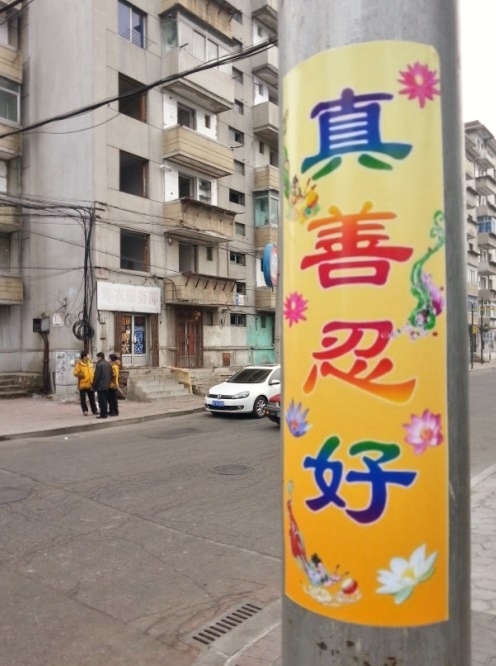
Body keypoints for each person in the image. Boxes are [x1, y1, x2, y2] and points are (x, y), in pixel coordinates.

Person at [73, 351, 98, 416]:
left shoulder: (90, 362)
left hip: (90, 383)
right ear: (84, 356)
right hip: (83, 384)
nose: (89, 356)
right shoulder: (79, 363)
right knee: (83, 399)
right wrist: (81, 375)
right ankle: (85, 411)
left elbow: (92, 371)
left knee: (92, 398)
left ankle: (94, 410)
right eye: (88, 355)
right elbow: (75, 373)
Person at [92, 352, 112, 418]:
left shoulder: (99, 364)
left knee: (101, 400)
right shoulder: (108, 364)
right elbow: (111, 374)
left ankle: (103, 414)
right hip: (107, 385)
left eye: (97, 357)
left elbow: (97, 376)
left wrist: (94, 386)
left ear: (100, 357)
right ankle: (105, 413)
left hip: (100, 385)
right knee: (105, 400)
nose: (96, 359)